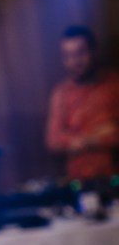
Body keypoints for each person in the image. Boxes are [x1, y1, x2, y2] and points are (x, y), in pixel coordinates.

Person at [46, 25, 119, 181]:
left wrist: (79, 139)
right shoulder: (61, 93)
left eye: (80, 53)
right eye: (67, 56)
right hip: (79, 181)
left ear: (94, 51)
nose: (74, 61)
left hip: (114, 177)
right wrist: (97, 136)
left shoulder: (114, 85)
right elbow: (54, 139)